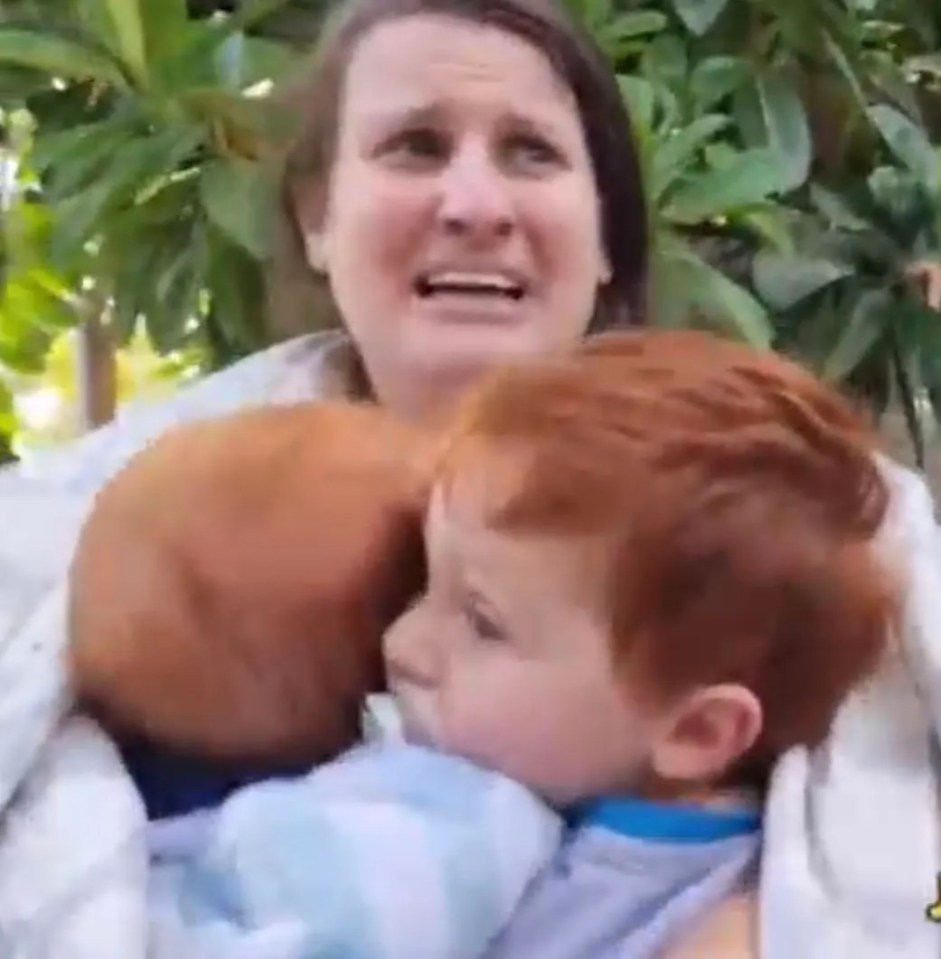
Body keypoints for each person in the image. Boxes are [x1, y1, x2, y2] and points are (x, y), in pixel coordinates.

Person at [0, 0, 937, 957]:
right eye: (414, 145)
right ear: (318, 217)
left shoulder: (820, 520)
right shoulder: (144, 508)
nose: (475, 204)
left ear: (609, 231)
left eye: (531, 151)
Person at [71, 329, 896, 959]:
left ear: (693, 731)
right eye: (424, 581)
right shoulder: (573, 788)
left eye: (483, 621)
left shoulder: (457, 823)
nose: (400, 644)